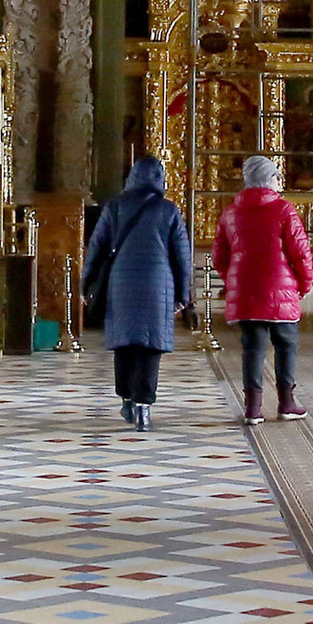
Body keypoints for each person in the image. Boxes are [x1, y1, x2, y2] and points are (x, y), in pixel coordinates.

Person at [86, 156, 194, 430]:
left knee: (125, 342)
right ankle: (145, 407)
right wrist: (183, 295)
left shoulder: (115, 207)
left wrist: (86, 284)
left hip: (120, 284)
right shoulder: (169, 211)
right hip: (158, 284)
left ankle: (126, 400)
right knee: (150, 346)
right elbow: (182, 256)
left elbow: (96, 247)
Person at [214, 153, 313, 425]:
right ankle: (286, 402)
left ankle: (252, 407)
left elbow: (219, 257)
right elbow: (300, 252)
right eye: (276, 176)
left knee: (253, 348)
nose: (279, 181)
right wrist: (305, 282)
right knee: (286, 344)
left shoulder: (231, 213)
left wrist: (233, 279)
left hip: (246, 291)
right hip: (281, 291)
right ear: (268, 179)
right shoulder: (283, 210)